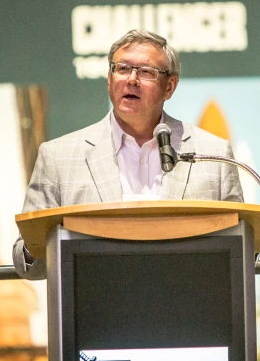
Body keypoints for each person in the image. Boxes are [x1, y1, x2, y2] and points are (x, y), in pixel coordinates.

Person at [13, 29, 243, 279]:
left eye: (146, 72)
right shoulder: (58, 157)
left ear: (170, 86)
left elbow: (242, 250)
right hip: (94, 309)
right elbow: (28, 264)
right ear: (109, 79)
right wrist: (39, 244)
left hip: (190, 304)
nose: (132, 79)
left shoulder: (213, 154)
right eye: (122, 69)